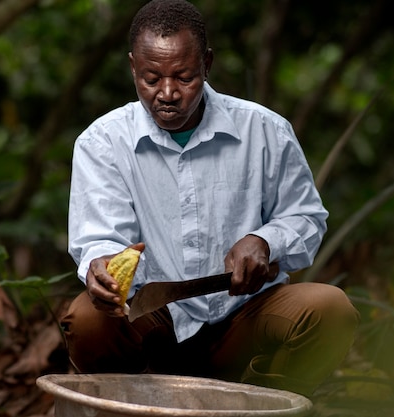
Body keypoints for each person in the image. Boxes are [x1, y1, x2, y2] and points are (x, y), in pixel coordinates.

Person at [61, 0, 359, 397]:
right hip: (152, 322)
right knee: (85, 319)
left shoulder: (265, 130)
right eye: (151, 78)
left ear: (207, 64)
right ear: (133, 67)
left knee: (331, 309)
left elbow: (305, 219)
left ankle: (263, 403)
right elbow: (100, 238)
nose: (167, 93)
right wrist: (101, 265)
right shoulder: (102, 142)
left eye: (183, 77)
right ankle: (127, 404)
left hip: (244, 318)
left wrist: (266, 241)